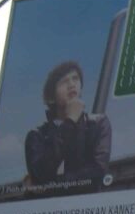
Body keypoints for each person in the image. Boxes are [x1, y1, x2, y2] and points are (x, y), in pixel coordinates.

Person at [25, 60, 112, 192]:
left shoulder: (98, 124)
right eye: (64, 82)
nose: (71, 84)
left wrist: (53, 184)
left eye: (75, 79)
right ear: (51, 97)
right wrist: (70, 121)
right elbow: (41, 173)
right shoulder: (37, 136)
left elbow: (97, 173)